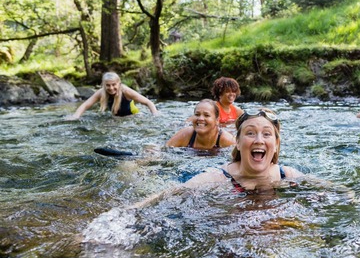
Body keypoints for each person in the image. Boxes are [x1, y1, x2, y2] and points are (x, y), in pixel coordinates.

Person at [131, 108, 303, 208]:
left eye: (266, 134)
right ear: (237, 142)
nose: (259, 140)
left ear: (276, 144)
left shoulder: (286, 174)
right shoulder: (218, 177)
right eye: (250, 133)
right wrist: (130, 210)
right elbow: (171, 192)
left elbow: (328, 190)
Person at [66, 72, 159, 120]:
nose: (111, 88)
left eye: (114, 84)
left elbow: (148, 102)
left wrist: (155, 115)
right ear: (104, 84)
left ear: (119, 83)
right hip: (117, 119)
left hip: (133, 118)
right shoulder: (101, 92)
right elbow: (85, 105)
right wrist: (75, 116)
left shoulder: (126, 91)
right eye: (108, 85)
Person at [166, 99, 235, 149]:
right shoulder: (185, 134)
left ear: (217, 120)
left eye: (206, 115)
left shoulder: (228, 141)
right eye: (197, 114)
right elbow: (164, 151)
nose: (201, 118)